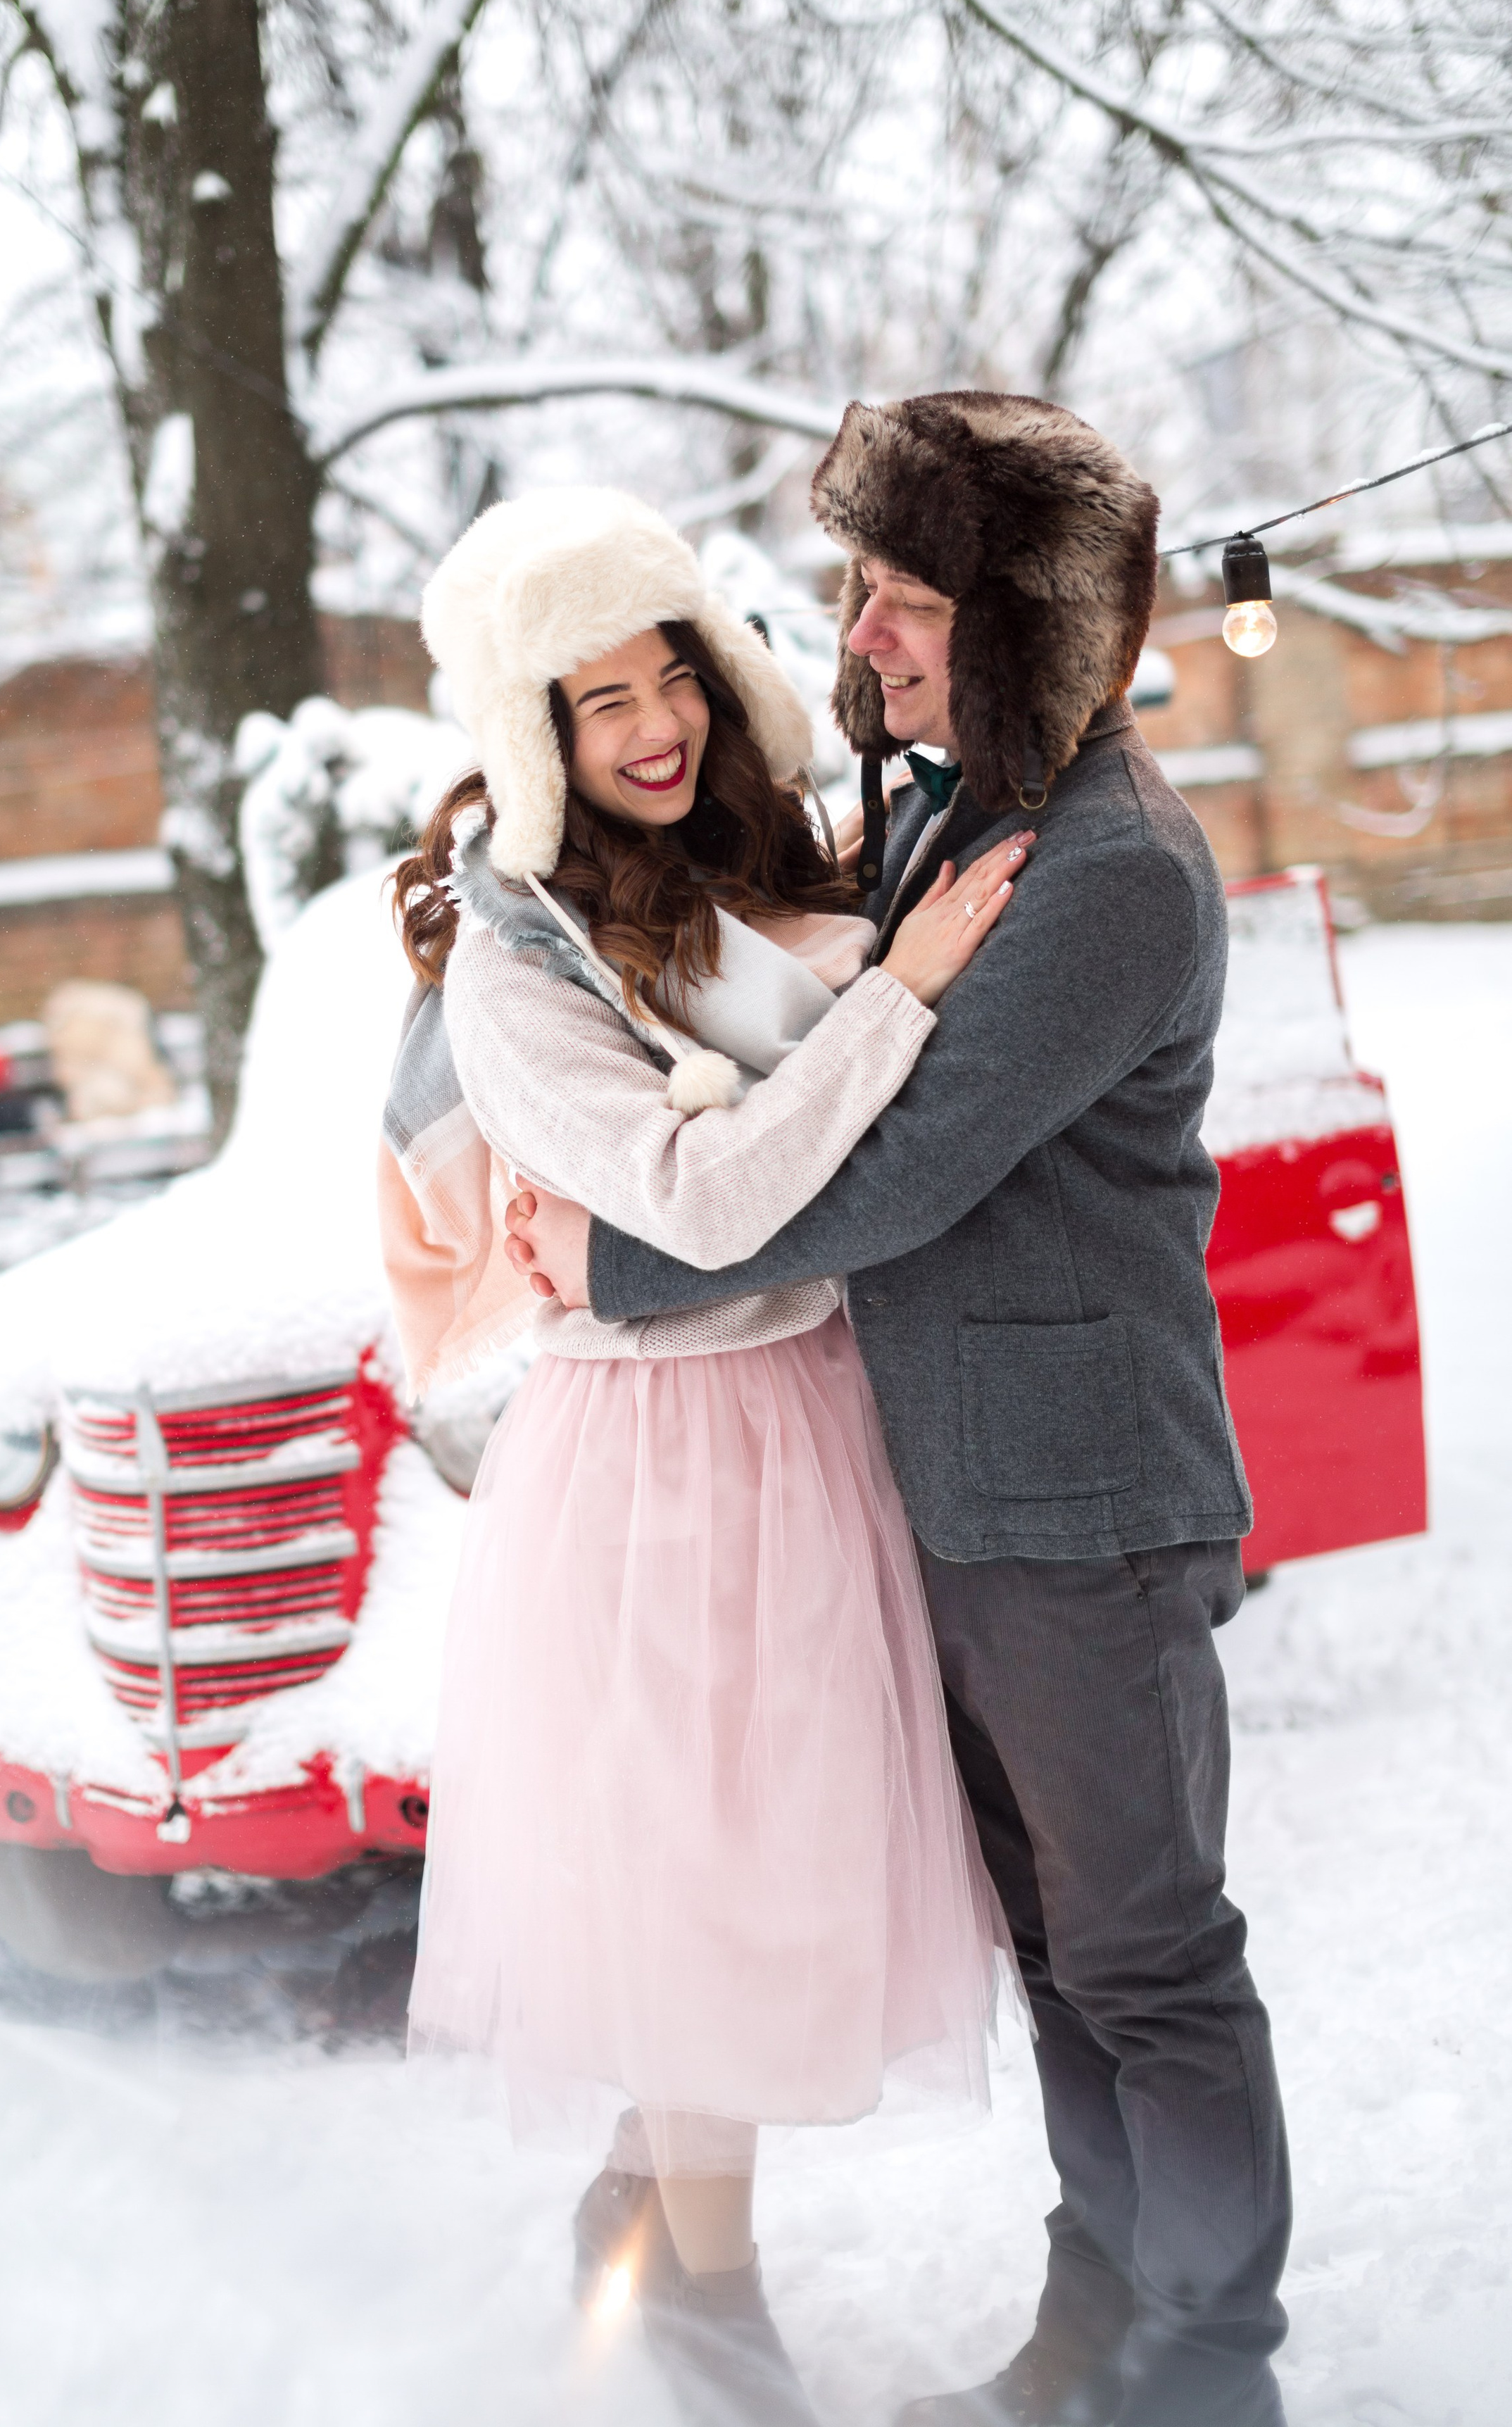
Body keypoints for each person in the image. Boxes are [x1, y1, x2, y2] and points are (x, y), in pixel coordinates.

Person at [504, 396, 1292, 2427]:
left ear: (1023, 625)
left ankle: (1204, 2365)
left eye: (906, 599)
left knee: (1148, 1963)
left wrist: (614, 1267)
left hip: (1082, 1501)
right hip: (964, 1489)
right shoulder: (961, 808)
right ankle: (1096, 2337)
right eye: (860, 592)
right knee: (1069, 1963)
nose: (861, 637)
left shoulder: (1102, 867)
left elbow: (892, 1171)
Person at [380, 485, 1027, 2427]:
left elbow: (813, 1129)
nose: (655, 726)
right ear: (529, 731)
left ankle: (646, 2220)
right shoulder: (516, 968)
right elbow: (712, 1191)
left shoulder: (738, 888)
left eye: (675, 674)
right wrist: (903, 991)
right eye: (599, 702)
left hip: (809, 1424)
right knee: (702, 1883)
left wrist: (882, 944)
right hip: (657, 1467)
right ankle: (708, 2311)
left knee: (777, 1870)